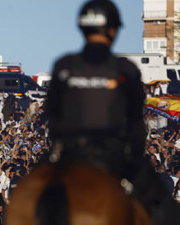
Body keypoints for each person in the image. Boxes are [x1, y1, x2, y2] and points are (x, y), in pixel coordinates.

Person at [46, 0, 180, 224]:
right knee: (167, 211)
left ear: (82, 27)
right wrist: (134, 154)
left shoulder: (63, 66)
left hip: (68, 154)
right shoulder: (125, 69)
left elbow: (51, 116)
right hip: (115, 156)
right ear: (113, 30)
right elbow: (137, 123)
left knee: (29, 192)